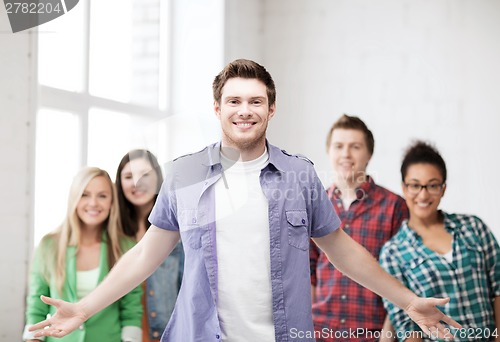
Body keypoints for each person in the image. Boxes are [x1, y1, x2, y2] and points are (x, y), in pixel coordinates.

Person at [29, 59, 461, 342]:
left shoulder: (300, 175)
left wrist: (407, 300)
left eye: (256, 101)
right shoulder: (184, 174)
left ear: (272, 109)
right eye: (234, 100)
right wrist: (84, 308)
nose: (245, 109)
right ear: (217, 108)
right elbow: (144, 256)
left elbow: (343, 250)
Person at [380, 141, 500, 341]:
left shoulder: (473, 227)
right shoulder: (393, 253)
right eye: (415, 185)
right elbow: (406, 326)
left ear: (443, 188)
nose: (424, 194)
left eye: (433, 185)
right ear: (404, 188)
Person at [310, 114, 408, 341]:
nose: (346, 154)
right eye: (339, 146)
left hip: (372, 334)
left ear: (369, 154)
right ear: (329, 152)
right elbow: (309, 273)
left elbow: (401, 276)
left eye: (355, 146)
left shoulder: (394, 207)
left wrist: (387, 336)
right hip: (322, 333)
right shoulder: (316, 205)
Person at [23, 167, 142, 342]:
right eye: (85, 195)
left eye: (102, 196)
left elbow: (131, 308)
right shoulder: (49, 246)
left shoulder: (125, 247)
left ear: (112, 202)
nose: (93, 203)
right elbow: (36, 306)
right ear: (74, 199)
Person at [116, 149, 184, 341]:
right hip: (122, 334)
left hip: (164, 334)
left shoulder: (176, 232)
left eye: (145, 175)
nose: (137, 183)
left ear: (158, 179)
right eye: (128, 176)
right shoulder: (114, 233)